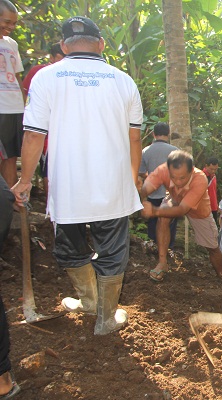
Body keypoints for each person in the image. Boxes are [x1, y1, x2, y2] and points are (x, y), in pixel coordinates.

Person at [12, 16, 144, 335]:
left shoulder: (46, 78)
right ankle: (105, 317)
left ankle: (88, 301)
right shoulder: (123, 80)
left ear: (62, 45)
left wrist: (25, 181)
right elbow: (135, 138)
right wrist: (132, 178)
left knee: (71, 247)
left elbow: (32, 136)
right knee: (112, 250)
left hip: (68, 186)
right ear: (101, 44)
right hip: (112, 185)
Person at [140, 150, 222, 281]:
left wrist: (154, 211)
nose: (178, 182)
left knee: (212, 246)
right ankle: (162, 263)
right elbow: (146, 188)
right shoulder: (162, 170)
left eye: (182, 178)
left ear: (191, 171)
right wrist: (140, 192)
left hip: (199, 210)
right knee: (163, 217)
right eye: (173, 177)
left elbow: (182, 210)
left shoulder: (200, 178)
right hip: (174, 198)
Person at [21, 42, 66, 198]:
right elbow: (25, 95)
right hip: (44, 128)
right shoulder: (39, 73)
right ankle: (51, 207)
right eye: (58, 59)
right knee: (48, 166)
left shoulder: (70, 72)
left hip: (63, 129)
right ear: (51, 57)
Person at [138, 122, 179, 248]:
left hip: (153, 193)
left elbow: (140, 172)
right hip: (171, 194)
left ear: (153, 134)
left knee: (153, 222)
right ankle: (168, 249)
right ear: (168, 134)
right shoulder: (175, 151)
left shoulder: (146, 151)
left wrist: (154, 178)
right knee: (169, 224)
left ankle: (153, 247)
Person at [0, 0, 24, 188]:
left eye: (14, 23)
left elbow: (17, 76)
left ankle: (10, 199)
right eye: (7, 22)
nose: (11, 27)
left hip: (13, 106)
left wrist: (24, 104)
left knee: (11, 155)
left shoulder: (12, 44)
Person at [202, 157, 219, 222]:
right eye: (211, 169)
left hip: (213, 207)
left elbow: (214, 191)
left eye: (215, 169)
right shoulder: (202, 176)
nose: (213, 171)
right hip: (205, 207)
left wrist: (216, 205)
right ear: (206, 166)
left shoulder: (213, 176)